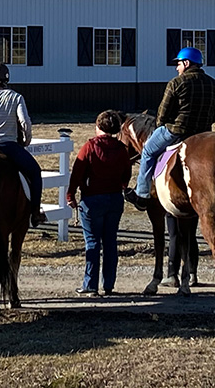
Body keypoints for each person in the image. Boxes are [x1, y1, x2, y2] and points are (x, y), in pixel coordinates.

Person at [125, 46, 215, 208]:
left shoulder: (176, 83)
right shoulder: (214, 84)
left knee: (148, 150)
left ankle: (142, 195)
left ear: (186, 62)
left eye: (178, 63)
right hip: (203, 133)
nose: (176, 67)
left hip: (176, 131)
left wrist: (164, 123)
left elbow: (162, 114)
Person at [0, 62, 47, 227]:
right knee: (34, 172)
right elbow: (25, 122)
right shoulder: (16, 97)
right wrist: (26, 140)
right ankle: (35, 211)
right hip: (9, 145)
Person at [66, 110, 132, 296]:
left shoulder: (89, 147)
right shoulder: (121, 149)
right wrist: (122, 185)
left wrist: (71, 195)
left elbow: (77, 173)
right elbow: (126, 174)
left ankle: (90, 284)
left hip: (92, 199)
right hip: (114, 199)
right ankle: (109, 284)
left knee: (92, 242)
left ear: (99, 127)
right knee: (110, 242)